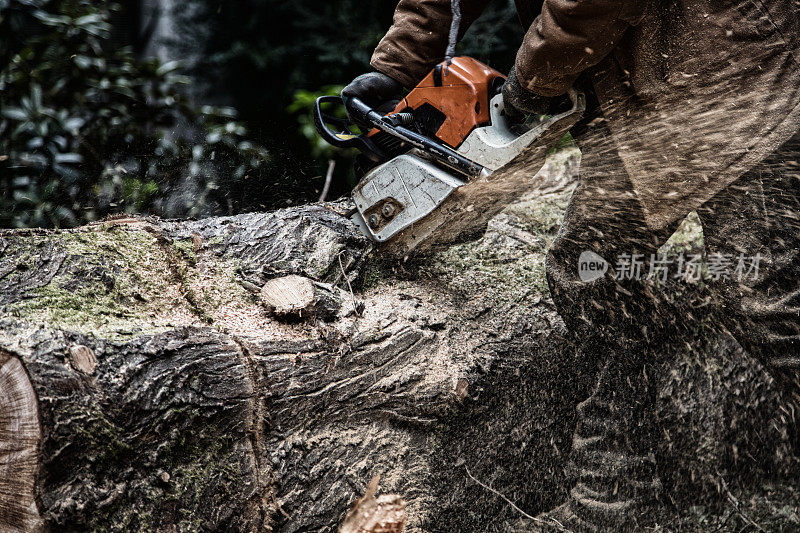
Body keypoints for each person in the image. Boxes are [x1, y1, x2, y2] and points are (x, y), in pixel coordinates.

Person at [342, 0, 800, 530]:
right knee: (590, 275)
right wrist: (399, 66)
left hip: (734, 75)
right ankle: (612, 501)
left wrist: (529, 85)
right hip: (639, 94)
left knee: (773, 301)